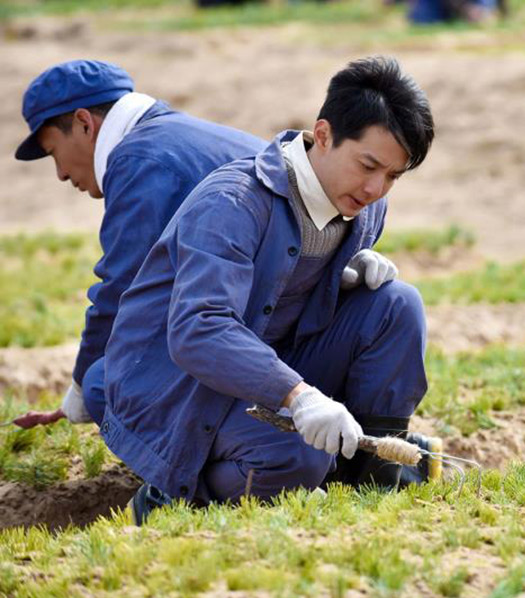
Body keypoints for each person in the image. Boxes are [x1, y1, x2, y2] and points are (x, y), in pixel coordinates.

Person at [99, 56, 438, 524]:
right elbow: (200, 330)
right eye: (369, 165)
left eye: (393, 176)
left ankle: (367, 473)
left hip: (266, 367)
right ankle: (173, 495)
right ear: (322, 135)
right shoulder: (232, 203)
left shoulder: (364, 206)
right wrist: (299, 397)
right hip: (178, 389)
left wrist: (339, 273)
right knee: (298, 457)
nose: (377, 188)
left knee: (396, 305)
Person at [15, 60, 266, 427]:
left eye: (54, 153)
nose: (61, 174)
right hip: (295, 317)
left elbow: (121, 291)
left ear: (85, 123)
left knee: (108, 382)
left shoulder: (138, 159)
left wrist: (82, 388)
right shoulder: (182, 135)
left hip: (266, 337)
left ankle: (193, 475)